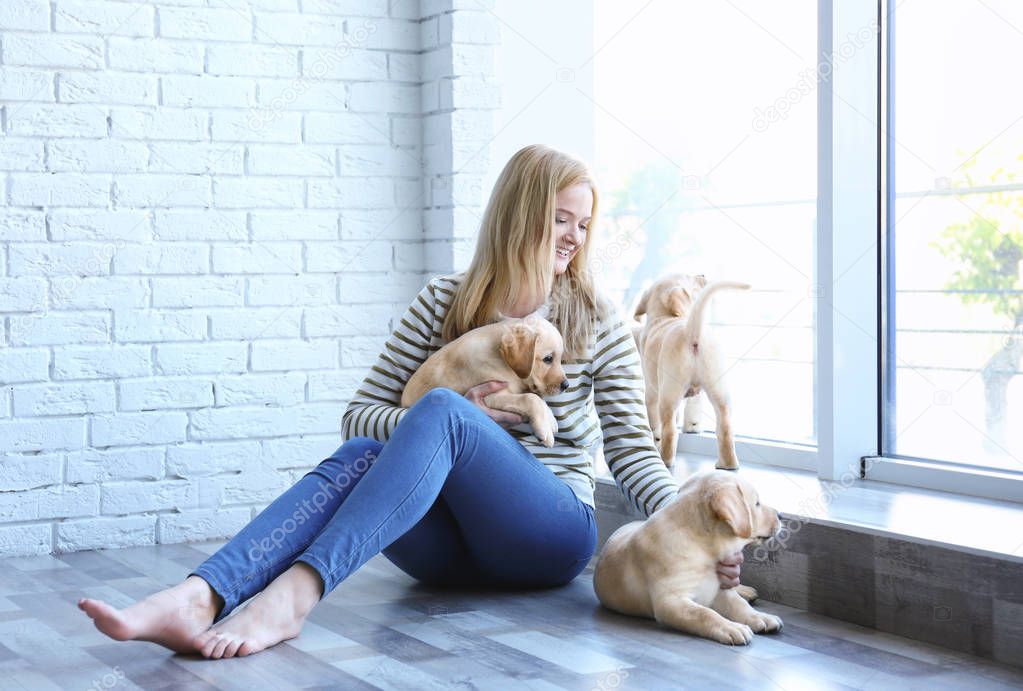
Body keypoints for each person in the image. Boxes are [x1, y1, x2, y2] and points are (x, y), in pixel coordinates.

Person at [77, 144, 744, 659]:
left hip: (548, 534)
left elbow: (630, 448)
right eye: (558, 218)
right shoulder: (441, 303)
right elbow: (359, 414)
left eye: (583, 223)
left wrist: (698, 528)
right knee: (371, 448)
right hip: (441, 553)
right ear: (518, 217)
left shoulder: (594, 316)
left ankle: (291, 597)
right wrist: (451, 419)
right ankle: (200, 594)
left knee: (444, 412)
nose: (573, 236)